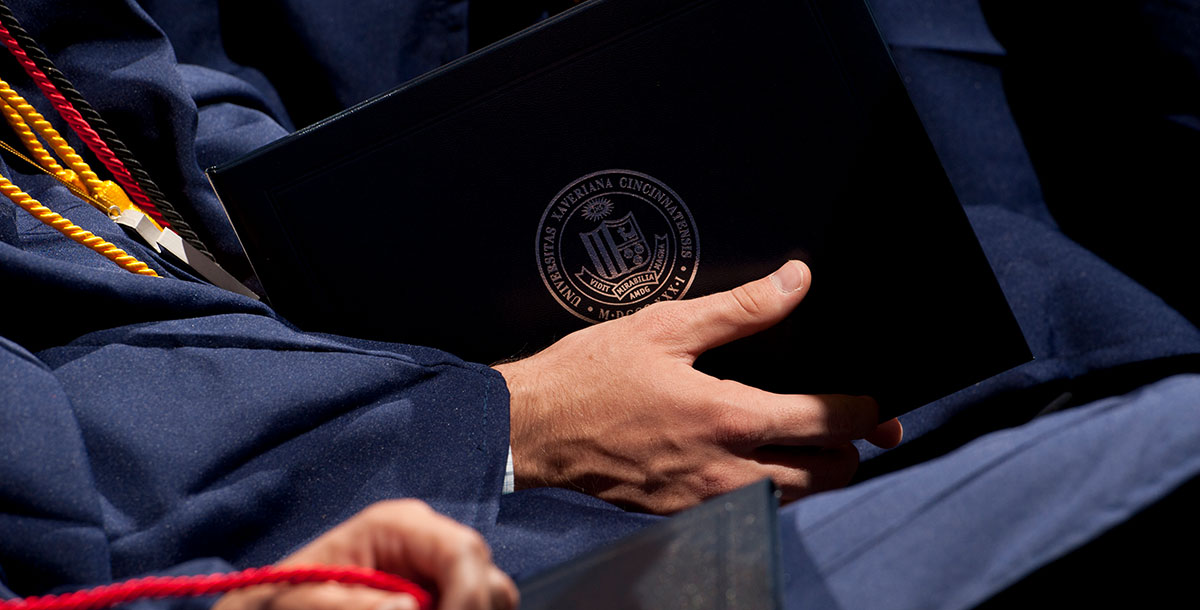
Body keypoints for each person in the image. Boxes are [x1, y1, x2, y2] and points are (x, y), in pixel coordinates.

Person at [2, 1, 1198, 608]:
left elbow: (153, 116)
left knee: (1025, 295)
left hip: (371, 360)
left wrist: (394, 213)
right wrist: (510, 424)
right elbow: (58, 498)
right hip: (369, 521)